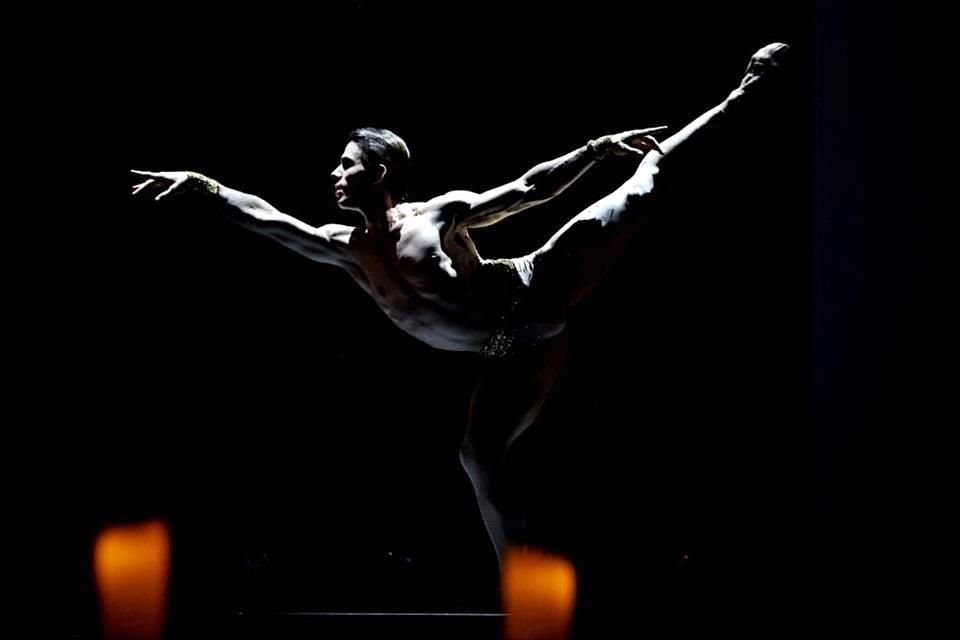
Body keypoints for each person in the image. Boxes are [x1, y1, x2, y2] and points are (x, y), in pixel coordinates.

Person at [131, 43, 789, 565]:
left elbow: (527, 189)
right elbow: (266, 218)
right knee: (478, 458)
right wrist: (204, 185)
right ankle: (522, 586)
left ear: (378, 173)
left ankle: (746, 92)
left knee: (640, 189)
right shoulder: (343, 248)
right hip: (512, 350)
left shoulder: (435, 216)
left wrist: (593, 150)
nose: (332, 175)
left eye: (344, 164)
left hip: (535, 287)